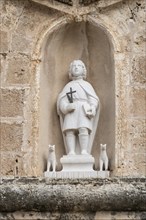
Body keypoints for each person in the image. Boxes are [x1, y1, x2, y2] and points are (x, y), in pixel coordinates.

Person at [57, 60, 100, 155]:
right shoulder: (68, 86)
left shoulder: (87, 85)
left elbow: (93, 98)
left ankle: (84, 150)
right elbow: (62, 100)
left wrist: (92, 107)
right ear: (70, 70)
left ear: (83, 69)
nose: (76, 67)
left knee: (83, 129)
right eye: (74, 66)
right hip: (71, 110)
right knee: (69, 130)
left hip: (84, 109)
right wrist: (67, 107)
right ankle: (71, 151)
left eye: (79, 66)